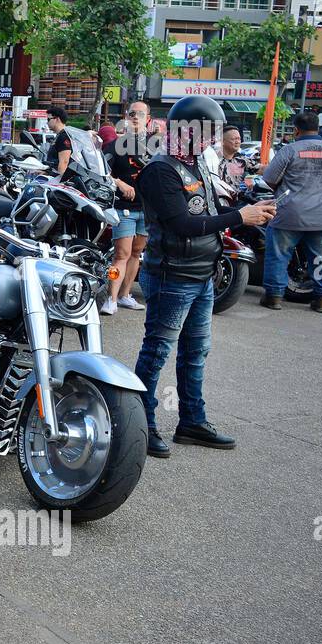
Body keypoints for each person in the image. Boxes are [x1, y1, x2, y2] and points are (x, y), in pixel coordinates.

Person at [133, 95, 276, 458]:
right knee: (157, 352)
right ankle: (141, 424)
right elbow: (181, 224)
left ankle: (192, 421)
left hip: (201, 274)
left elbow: (209, 211)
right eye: (209, 131)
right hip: (172, 276)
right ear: (188, 130)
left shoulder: (196, 165)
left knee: (196, 352)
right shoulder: (161, 170)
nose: (214, 139)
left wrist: (246, 209)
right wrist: (240, 217)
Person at [259, 110, 322, 313]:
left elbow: (270, 179)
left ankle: (274, 297)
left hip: (289, 214)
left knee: (279, 256)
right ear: (318, 127)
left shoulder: (290, 150)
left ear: (296, 130)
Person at [101, 103, 153, 315]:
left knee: (136, 253)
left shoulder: (156, 146)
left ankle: (125, 295)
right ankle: (111, 298)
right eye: (131, 114)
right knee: (121, 255)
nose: (135, 118)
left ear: (148, 119)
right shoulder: (114, 145)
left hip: (147, 209)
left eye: (140, 114)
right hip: (124, 209)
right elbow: (102, 172)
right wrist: (119, 184)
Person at [45, 107, 73, 175]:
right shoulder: (59, 135)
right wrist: (46, 172)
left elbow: (64, 162)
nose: (47, 122)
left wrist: (59, 181)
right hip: (53, 174)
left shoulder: (64, 136)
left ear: (57, 119)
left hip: (57, 180)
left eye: (48, 119)